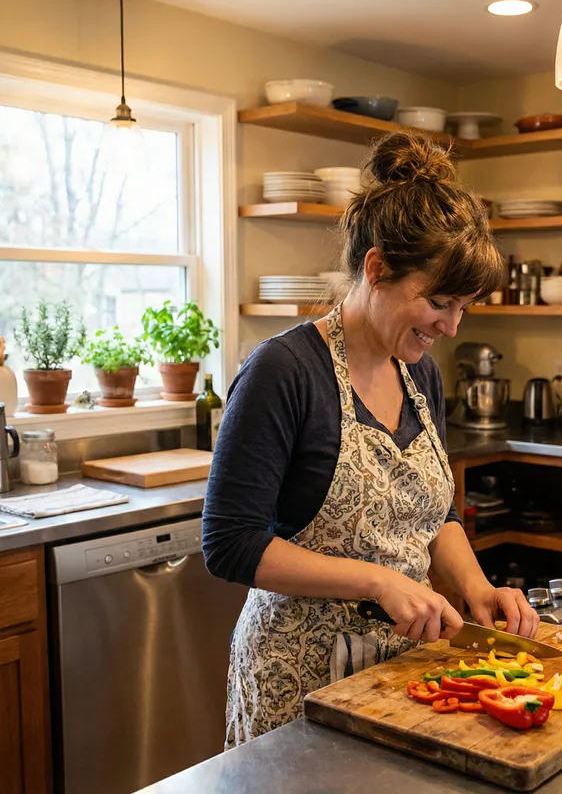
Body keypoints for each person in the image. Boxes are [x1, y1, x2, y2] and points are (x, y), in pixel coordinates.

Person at [203, 131, 540, 747]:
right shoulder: (285, 371)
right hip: (297, 681)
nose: (451, 324)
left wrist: (476, 587)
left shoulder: (421, 373)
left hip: (399, 676)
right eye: (438, 300)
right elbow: (229, 544)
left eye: (462, 306)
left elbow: (434, 514)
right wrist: (376, 579)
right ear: (377, 268)